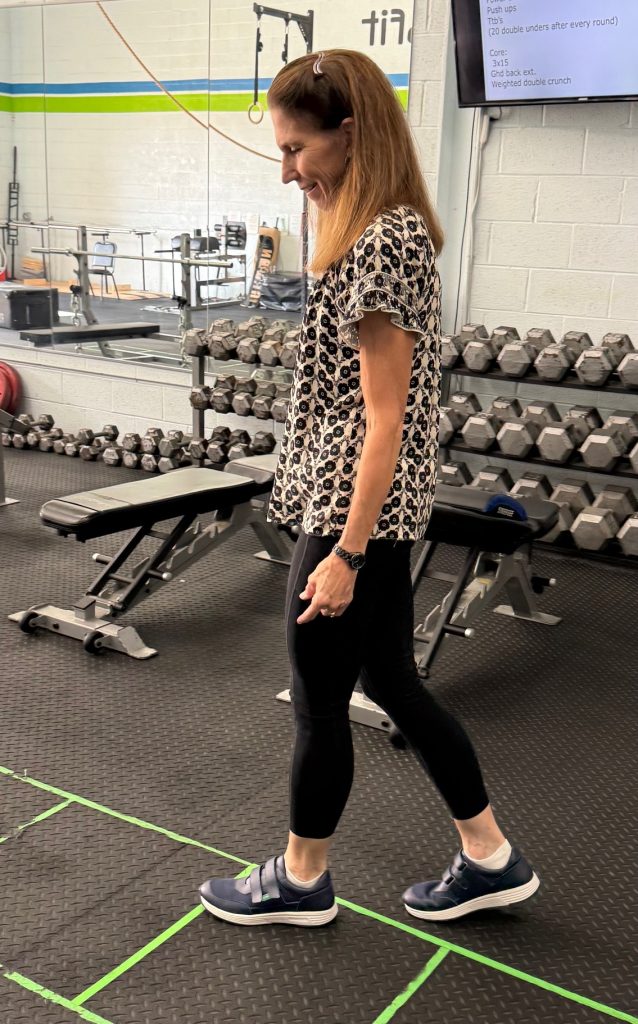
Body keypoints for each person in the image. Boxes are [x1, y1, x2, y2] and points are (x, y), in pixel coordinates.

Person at [199, 49, 539, 926]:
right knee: (391, 680)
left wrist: (348, 550)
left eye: (297, 149)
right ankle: (490, 855)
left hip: (359, 516)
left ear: (350, 135)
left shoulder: (381, 241)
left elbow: (386, 419)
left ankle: (301, 880)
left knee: (320, 703)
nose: (288, 171)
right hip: (364, 509)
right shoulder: (372, 226)